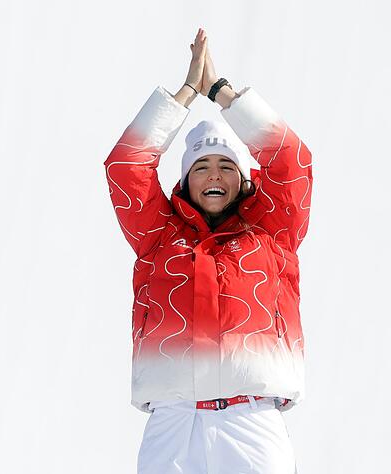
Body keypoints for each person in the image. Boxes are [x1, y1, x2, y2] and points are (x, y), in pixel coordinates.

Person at [104, 28, 312, 473]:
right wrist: (183, 95)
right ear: (185, 180)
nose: (213, 174)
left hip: (252, 420)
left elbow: (291, 161)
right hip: (174, 425)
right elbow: (126, 166)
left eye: (225, 165)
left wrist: (223, 94)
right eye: (201, 165)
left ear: (243, 178)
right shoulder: (157, 234)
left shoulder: (273, 230)